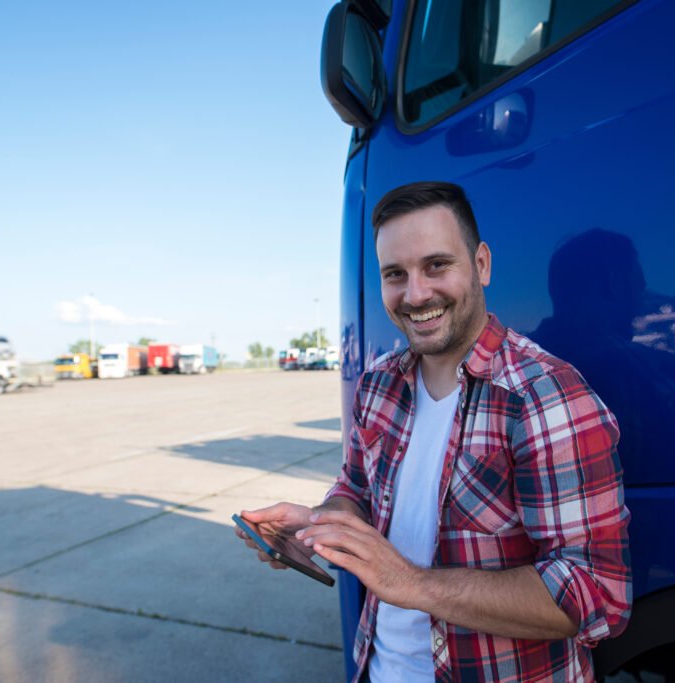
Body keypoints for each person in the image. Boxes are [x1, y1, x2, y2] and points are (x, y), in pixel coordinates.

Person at [236, 181, 631, 682]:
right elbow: (355, 488)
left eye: (436, 265)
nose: (416, 293)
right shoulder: (378, 384)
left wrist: (412, 584)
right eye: (395, 274)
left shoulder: (545, 398)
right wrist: (323, 525)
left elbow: (595, 594)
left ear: (481, 264)